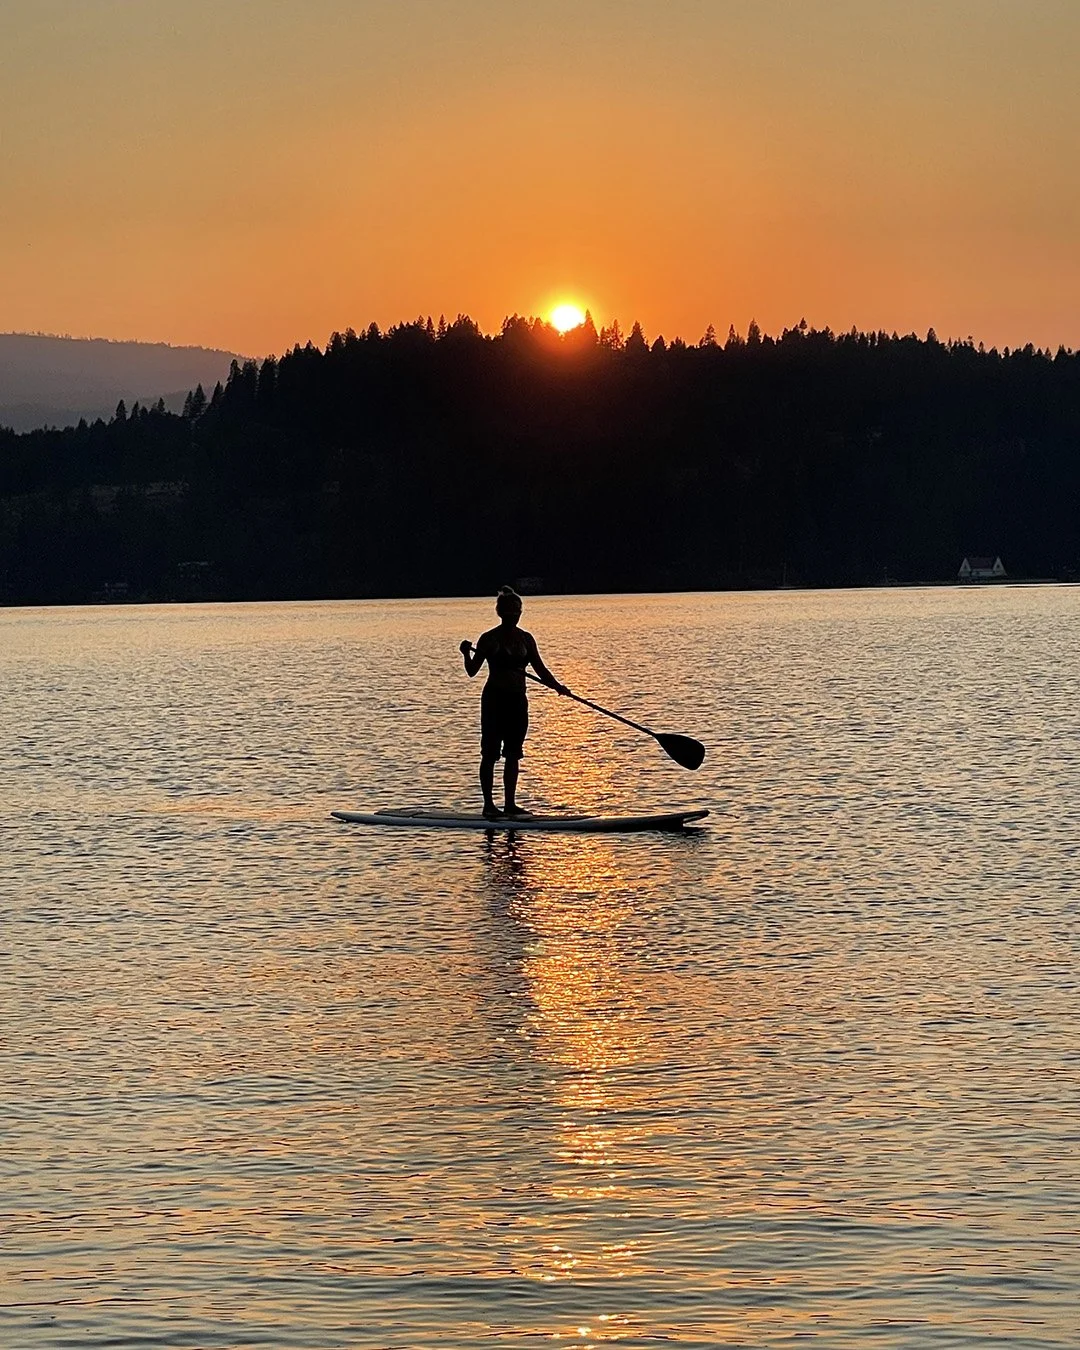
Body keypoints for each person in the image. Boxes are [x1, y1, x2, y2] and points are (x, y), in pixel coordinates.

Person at [460, 586, 569, 819]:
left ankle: (510, 804)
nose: (514, 616)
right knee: (490, 754)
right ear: (502, 614)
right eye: (510, 612)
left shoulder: (526, 640)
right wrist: (465, 654)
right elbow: (472, 671)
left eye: (516, 612)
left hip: (518, 701)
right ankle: (489, 805)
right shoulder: (488, 639)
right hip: (494, 701)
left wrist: (558, 687)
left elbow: (540, 669)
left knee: (513, 753)